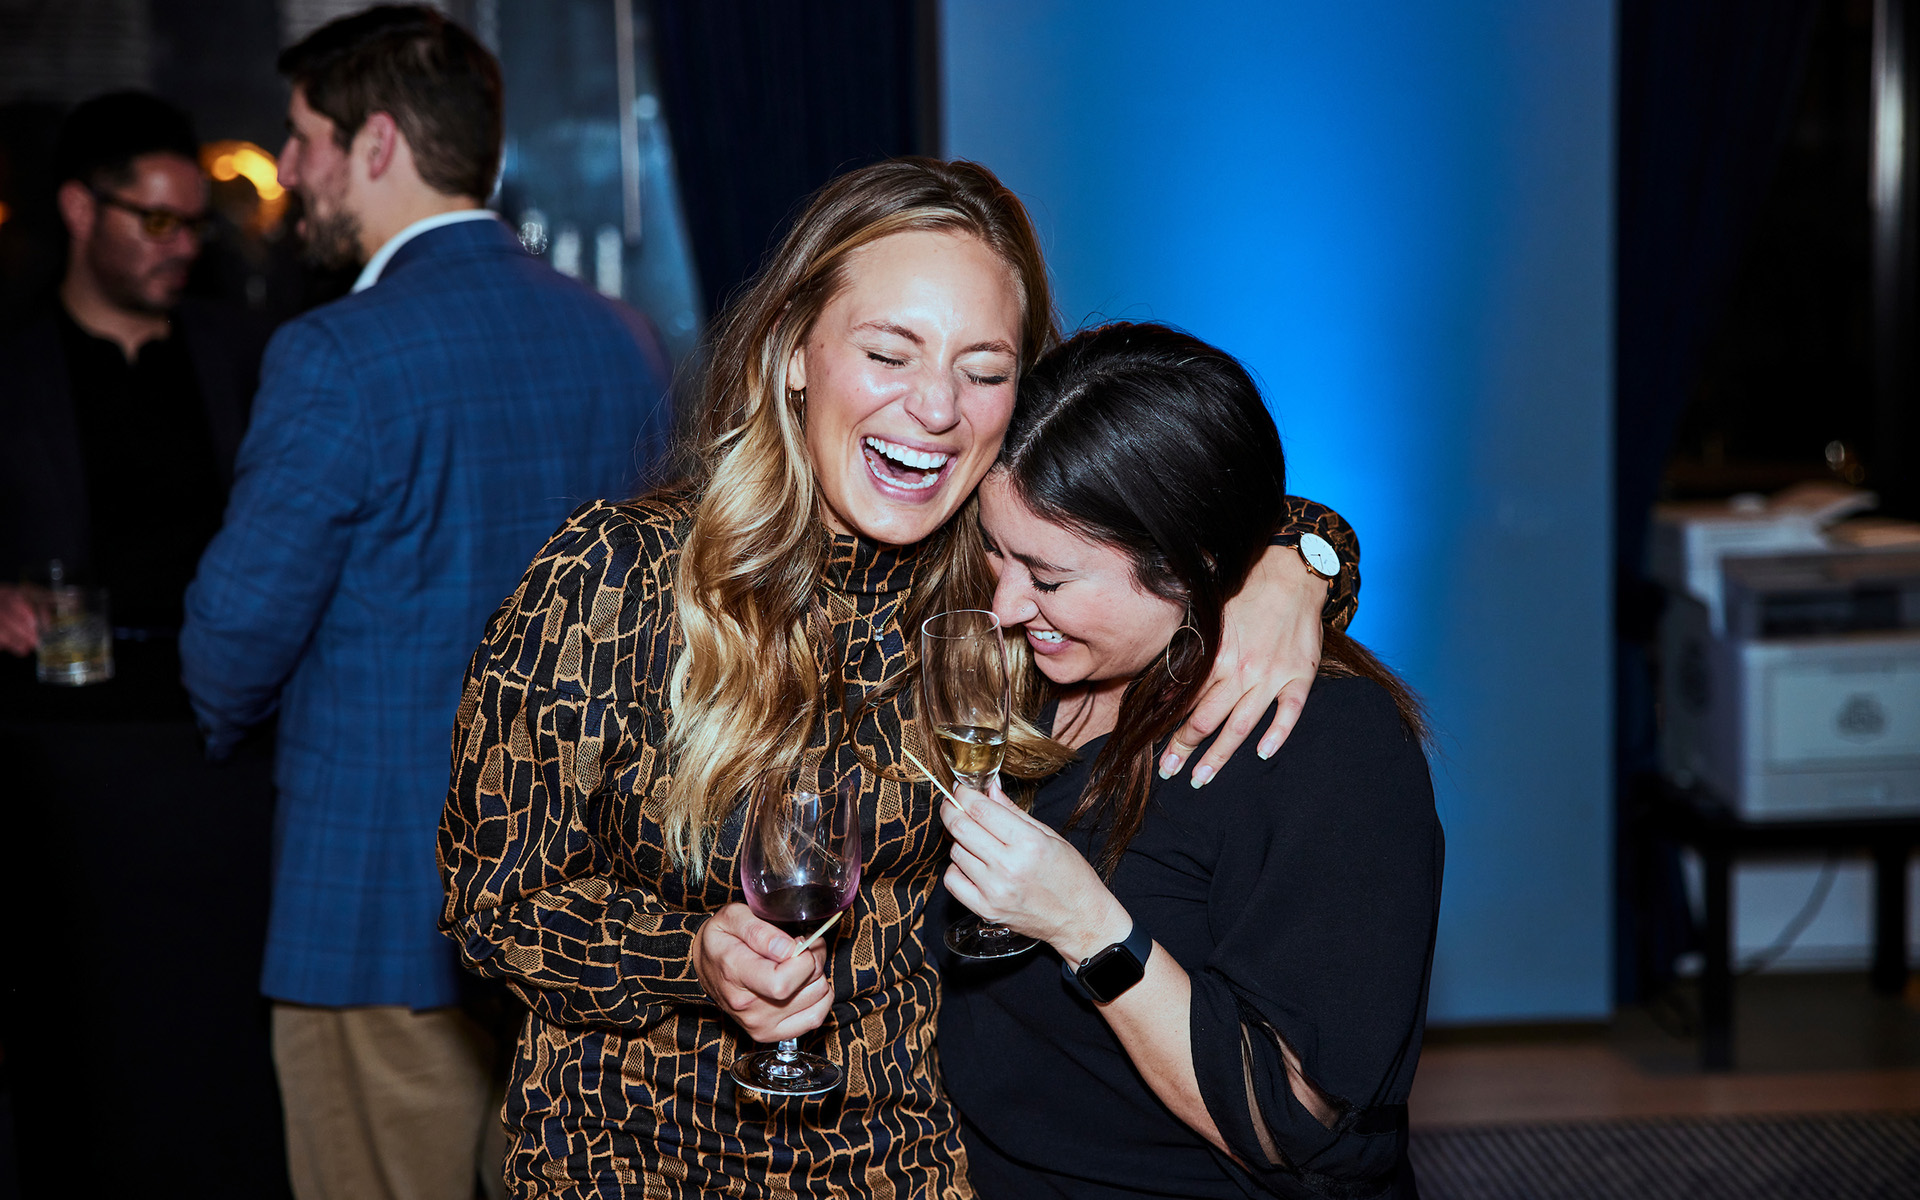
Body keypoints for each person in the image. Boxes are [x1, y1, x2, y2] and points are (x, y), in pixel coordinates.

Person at [440, 158, 1358, 1198]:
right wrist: (687, 957)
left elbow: (1180, 503)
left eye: (984, 370)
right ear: (794, 353)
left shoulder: (1003, 598)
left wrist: (1296, 564)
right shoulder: (614, 580)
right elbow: (492, 904)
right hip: (631, 1161)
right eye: (889, 353)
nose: (934, 406)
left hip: (907, 1167)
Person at [178, 8, 672, 1199]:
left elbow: (233, 637)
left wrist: (221, 719)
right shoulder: (626, 341)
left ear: (379, 143)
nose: (287, 167)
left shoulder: (337, 354)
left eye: (304, 137)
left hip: (378, 904)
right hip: (576, 908)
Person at [937, 322, 1443, 1200]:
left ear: (1188, 564)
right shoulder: (1017, 676)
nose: (1007, 603)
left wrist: (1088, 927)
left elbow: (1301, 1123)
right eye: (994, 548)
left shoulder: (1325, 745)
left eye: (1049, 579)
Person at [0, 91, 292, 1196]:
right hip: (67, 755)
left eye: (194, 224)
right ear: (81, 209)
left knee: (218, 1036)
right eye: (155, 220)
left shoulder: (246, 354)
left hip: (226, 746)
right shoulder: (13, 364)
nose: (182, 246)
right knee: (87, 1037)